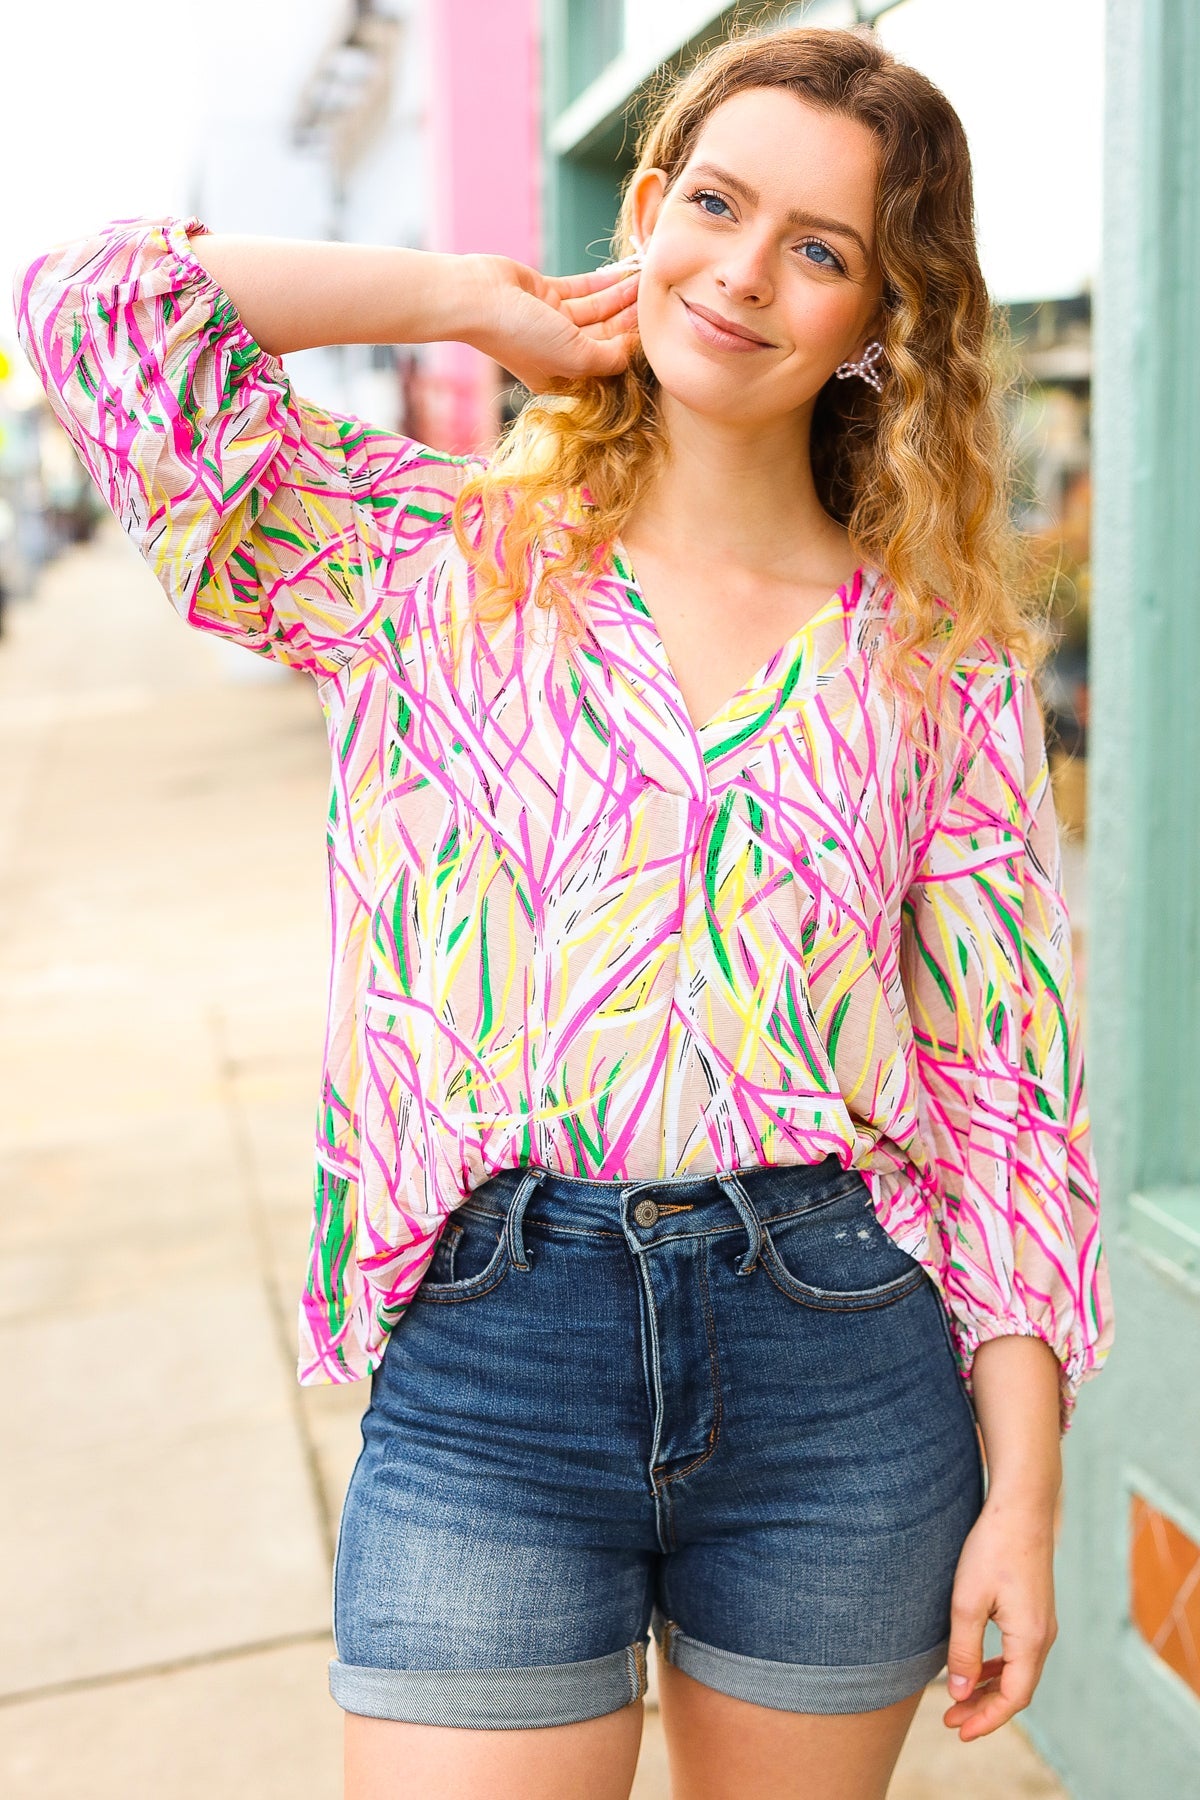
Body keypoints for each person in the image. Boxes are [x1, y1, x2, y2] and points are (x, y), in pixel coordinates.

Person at [16, 22, 1113, 1800]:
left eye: (821, 249)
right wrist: (472, 297)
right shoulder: (416, 561)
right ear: (651, 210)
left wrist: (1030, 1504)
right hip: (496, 1354)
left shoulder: (938, 662)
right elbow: (102, 305)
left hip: (838, 1359)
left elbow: (1006, 1098)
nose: (745, 273)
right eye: (715, 202)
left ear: (881, 316)